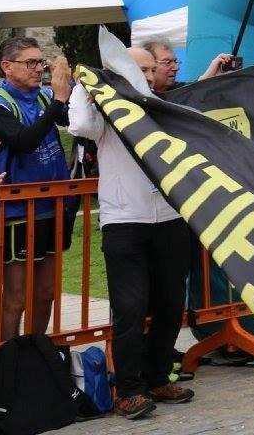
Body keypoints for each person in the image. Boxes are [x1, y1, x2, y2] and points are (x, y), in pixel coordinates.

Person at [67, 48, 195, 420]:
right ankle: (128, 389)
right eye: (139, 69)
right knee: (131, 306)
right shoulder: (107, 107)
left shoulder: (159, 105)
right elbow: (80, 128)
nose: (147, 76)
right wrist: (85, 85)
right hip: (124, 220)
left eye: (151, 69)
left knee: (171, 303)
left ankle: (157, 377)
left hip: (169, 216)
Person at [0, 38, 73, 337]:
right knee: (16, 298)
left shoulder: (42, 96)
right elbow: (24, 141)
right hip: (16, 211)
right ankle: (8, 361)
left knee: (46, 292)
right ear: (6, 66)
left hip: (52, 206)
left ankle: (37, 353)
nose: (38, 69)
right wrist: (58, 100)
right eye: (30, 63)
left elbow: (73, 120)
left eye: (40, 62)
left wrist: (67, 88)